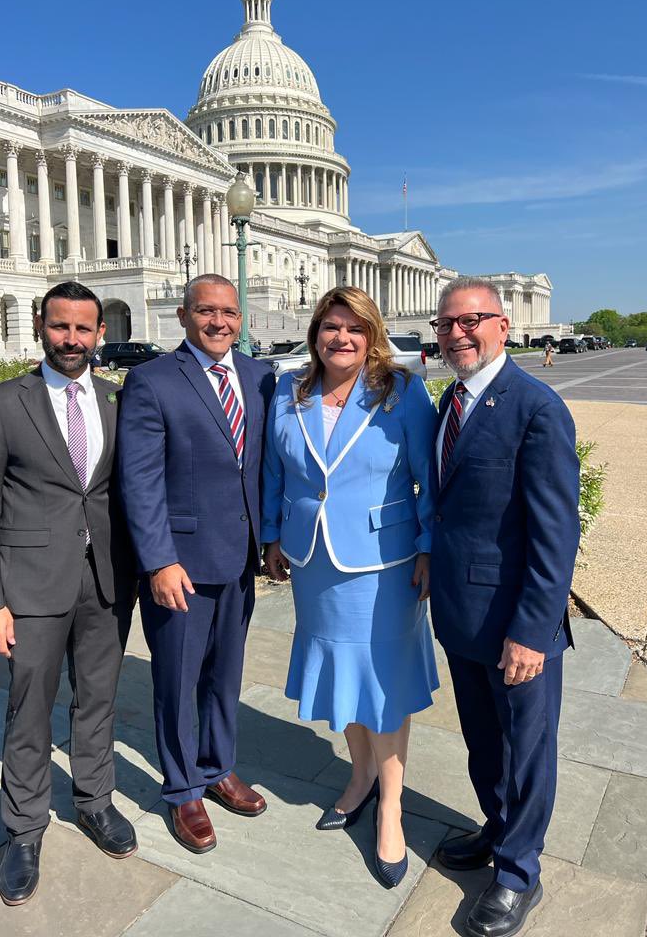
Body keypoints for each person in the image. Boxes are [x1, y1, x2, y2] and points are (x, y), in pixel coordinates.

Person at [0, 281, 137, 907]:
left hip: (108, 578)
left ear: (100, 334)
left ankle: (94, 800)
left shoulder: (118, 401)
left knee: (98, 699)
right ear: (42, 325)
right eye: (61, 327)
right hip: (29, 585)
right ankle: (23, 829)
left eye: (83, 329)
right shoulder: (3, 402)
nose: (72, 339)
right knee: (29, 707)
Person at [262, 286, 438, 889]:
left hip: (385, 562)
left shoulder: (403, 392)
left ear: (372, 336)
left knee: (384, 687)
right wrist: (270, 535)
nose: (341, 338)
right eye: (331, 327)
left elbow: (429, 477)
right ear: (315, 334)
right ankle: (360, 774)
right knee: (344, 676)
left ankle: (391, 805)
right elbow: (274, 468)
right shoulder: (289, 391)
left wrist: (429, 546)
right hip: (313, 558)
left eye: (354, 328)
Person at [428, 277, 580, 937]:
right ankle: (496, 829)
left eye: (472, 321)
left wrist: (532, 631)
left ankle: (520, 871)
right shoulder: (449, 403)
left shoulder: (536, 408)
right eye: (447, 324)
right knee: (484, 745)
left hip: (518, 625)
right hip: (464, 616)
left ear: (503, 326)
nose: (458, 333)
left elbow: (555, 534)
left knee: (526, 751)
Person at [117, 274, 276, 854]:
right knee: (177, 680)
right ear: (183, 316)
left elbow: (263, 468)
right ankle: (182, 787)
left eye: (229, 312)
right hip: (179, 563)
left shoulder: (261, 378)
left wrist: (272, 539)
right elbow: (139, 479)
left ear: (241, 317)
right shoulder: (152, 380)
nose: (219, 323)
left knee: (225, 675)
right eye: (206, 312)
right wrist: (158, 560)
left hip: (239, 557)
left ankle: (219, 766)